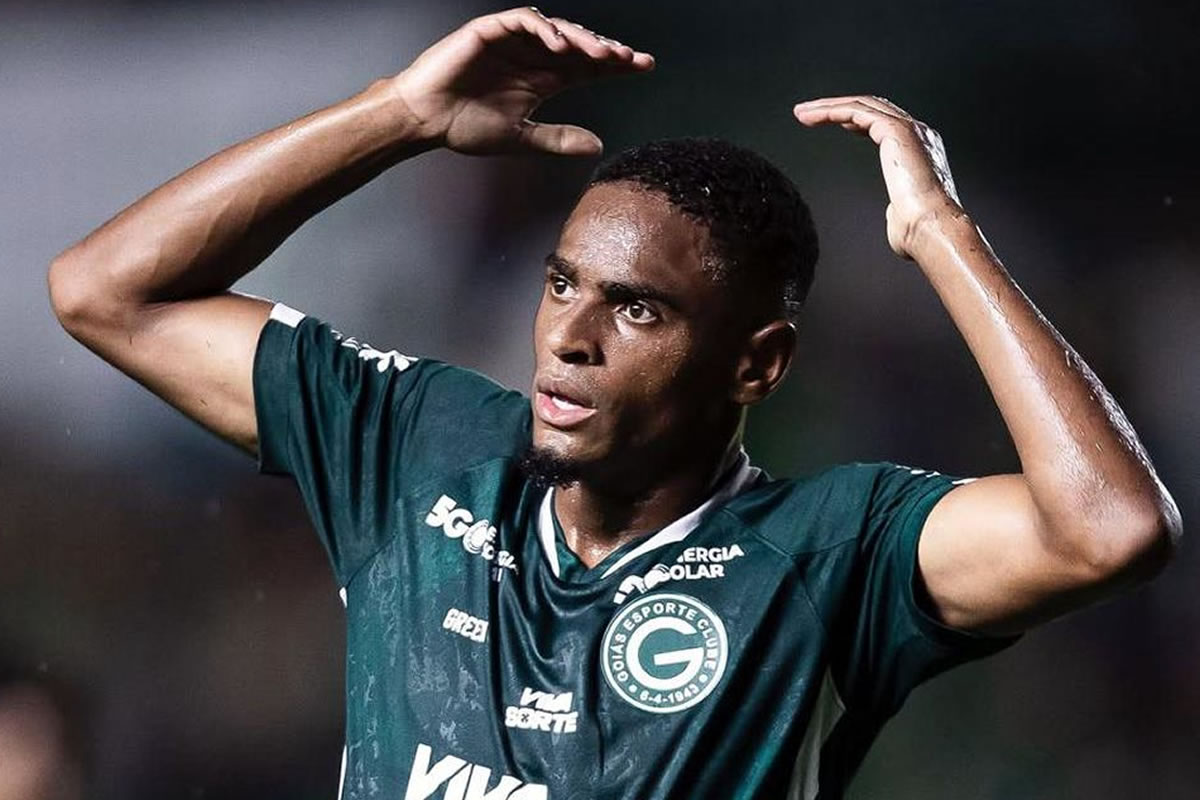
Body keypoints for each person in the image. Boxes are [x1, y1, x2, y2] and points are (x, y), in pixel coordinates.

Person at [48, 7, 1181, 799]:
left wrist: (940, 233)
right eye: (560, 284)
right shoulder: (420, 445)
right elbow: (106, 291)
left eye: (636, 308)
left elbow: (1110, 527)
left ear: (758, 365)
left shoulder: (827, 554)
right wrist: (395, 114)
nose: (568, 337)